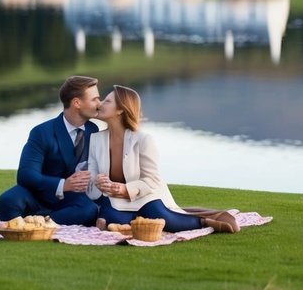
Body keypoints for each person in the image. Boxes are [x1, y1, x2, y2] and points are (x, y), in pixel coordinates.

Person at [88, 84, 238, 234]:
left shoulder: (143, 140)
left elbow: (151, 180)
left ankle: (204, 222)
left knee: (164, 219)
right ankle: (127, 221)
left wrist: (125, 189)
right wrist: (98, 181)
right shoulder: (95, 139)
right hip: (114, 199)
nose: (100, 104)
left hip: (144, 195)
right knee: (110, 216)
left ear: (120, 109)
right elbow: (92, 173)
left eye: (107, 101)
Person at [0, 75, 102, 225]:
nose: (100, 103)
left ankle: (43, 222)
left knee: (89, 210)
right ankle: (51, 219)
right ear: (77, 103)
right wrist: (63, 184)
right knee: (8, 201)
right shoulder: (42, 132)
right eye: (95, 99)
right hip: (38, 195)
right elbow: (25, 175)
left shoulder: (93, 129)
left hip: (71, 199)